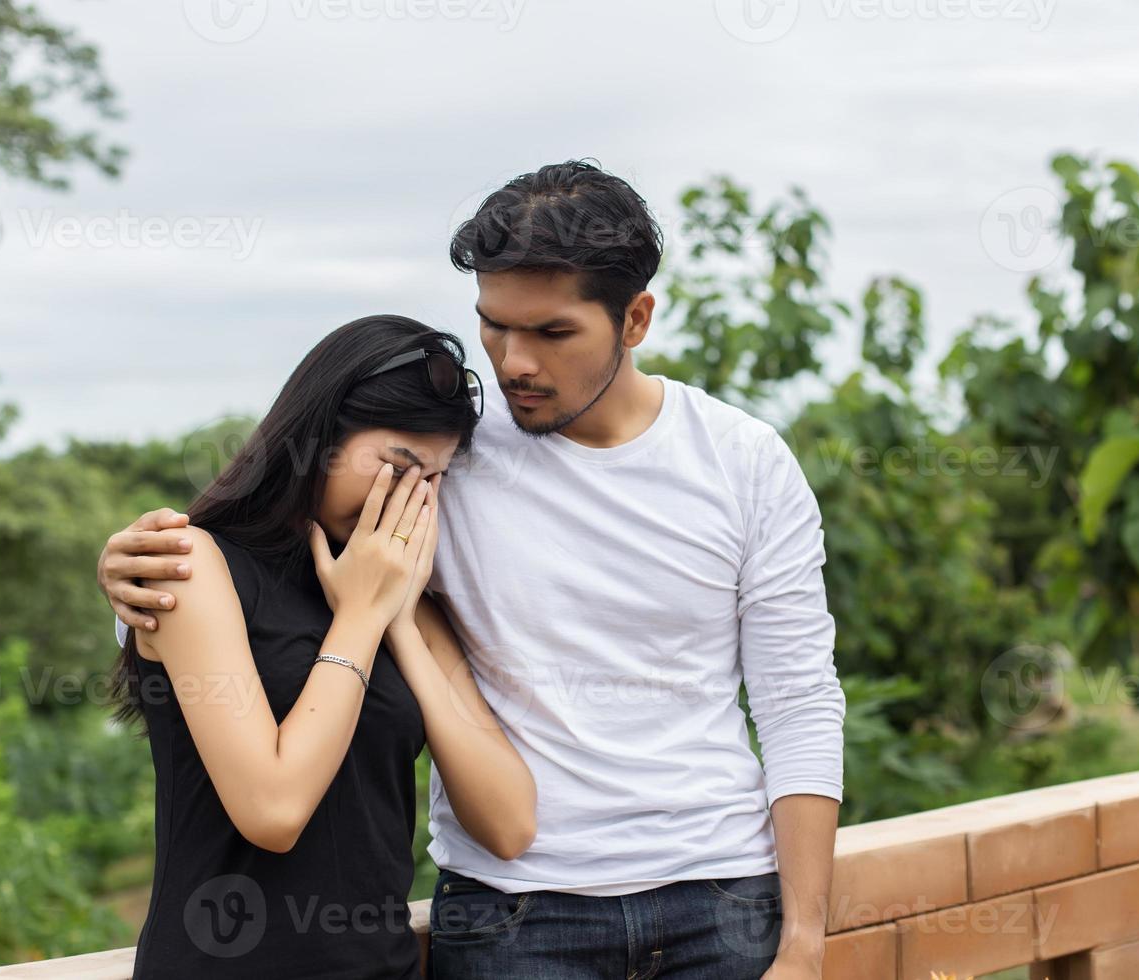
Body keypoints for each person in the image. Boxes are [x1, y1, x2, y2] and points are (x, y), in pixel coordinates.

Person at [101, 162, 844, 979]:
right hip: (515, 917)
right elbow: (260, 591)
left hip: (723, 895)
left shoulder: (739, 460)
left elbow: (798, 698)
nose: (513, 362)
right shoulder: (449, 452)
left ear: (634, 319)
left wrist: (805, 941)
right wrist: (131, 574)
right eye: (494, 326)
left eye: (552, 333)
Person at [106, 314, 535, 979]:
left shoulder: (399, 594)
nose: (411, 496)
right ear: (321, 434)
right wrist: (360, 619)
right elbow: (273, 810)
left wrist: (397, 625)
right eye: (398, 464)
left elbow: (509, 823)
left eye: (435, 476)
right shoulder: (194, 566)